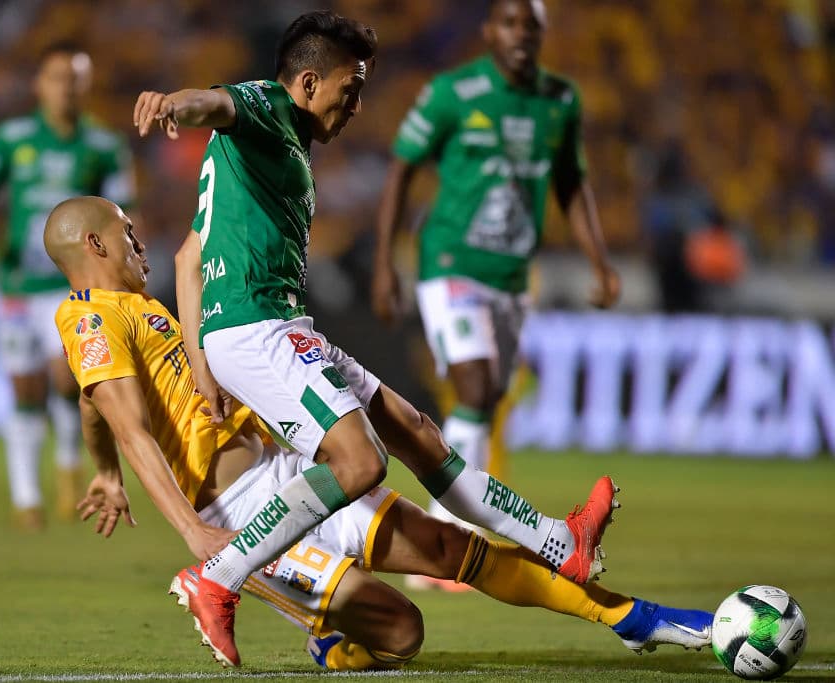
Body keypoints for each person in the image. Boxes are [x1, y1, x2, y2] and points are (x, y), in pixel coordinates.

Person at [45, 195, 713, 671]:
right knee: (402, 631)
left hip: (288, 474)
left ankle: (631, 617)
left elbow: (95, 409)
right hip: (236, 514)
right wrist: (194, 534)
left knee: (455, 549)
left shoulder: (139, 310)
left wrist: (103, 472)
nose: (141, 247)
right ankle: (235, 584)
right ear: (96, 244)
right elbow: (127, 421)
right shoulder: (89, 315)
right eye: (128, 235)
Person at [134, 9, 618, 664]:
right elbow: (217, 103)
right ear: (307, 84)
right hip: (256, 329)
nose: (357, 105)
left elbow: (190, 257)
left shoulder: (262, 155)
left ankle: (563, 542)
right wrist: (178, 104)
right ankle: (217, 577)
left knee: (417, 431)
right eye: (349, 88)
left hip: (274, 328)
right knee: (360, 463)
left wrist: (200, 364)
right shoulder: (269, 107)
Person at [371, 0, 622, 578]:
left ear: (542, 34)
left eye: (530, 26)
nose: (520, 35)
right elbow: (401, 168)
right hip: (451, 262)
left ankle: (443, 535)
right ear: (489, 31)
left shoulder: (560, 101)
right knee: (478, 388)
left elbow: (571, 184)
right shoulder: (452, 94)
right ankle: (445, 541)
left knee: (488, 399)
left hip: (512, 276)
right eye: (509, 23)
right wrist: (384, 264)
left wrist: (600, 262)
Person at [0, 41, 137, 530]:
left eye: (75, 77)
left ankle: (67, 462)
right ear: (39, 84)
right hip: (19, 283)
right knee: (24, 387)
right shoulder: (10, 139)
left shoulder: (104, 146)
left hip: (73, 285)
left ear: (86, 85)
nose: (66, 86)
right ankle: (26, 498)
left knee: (68, 379)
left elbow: (126, 214)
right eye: (57, 76)